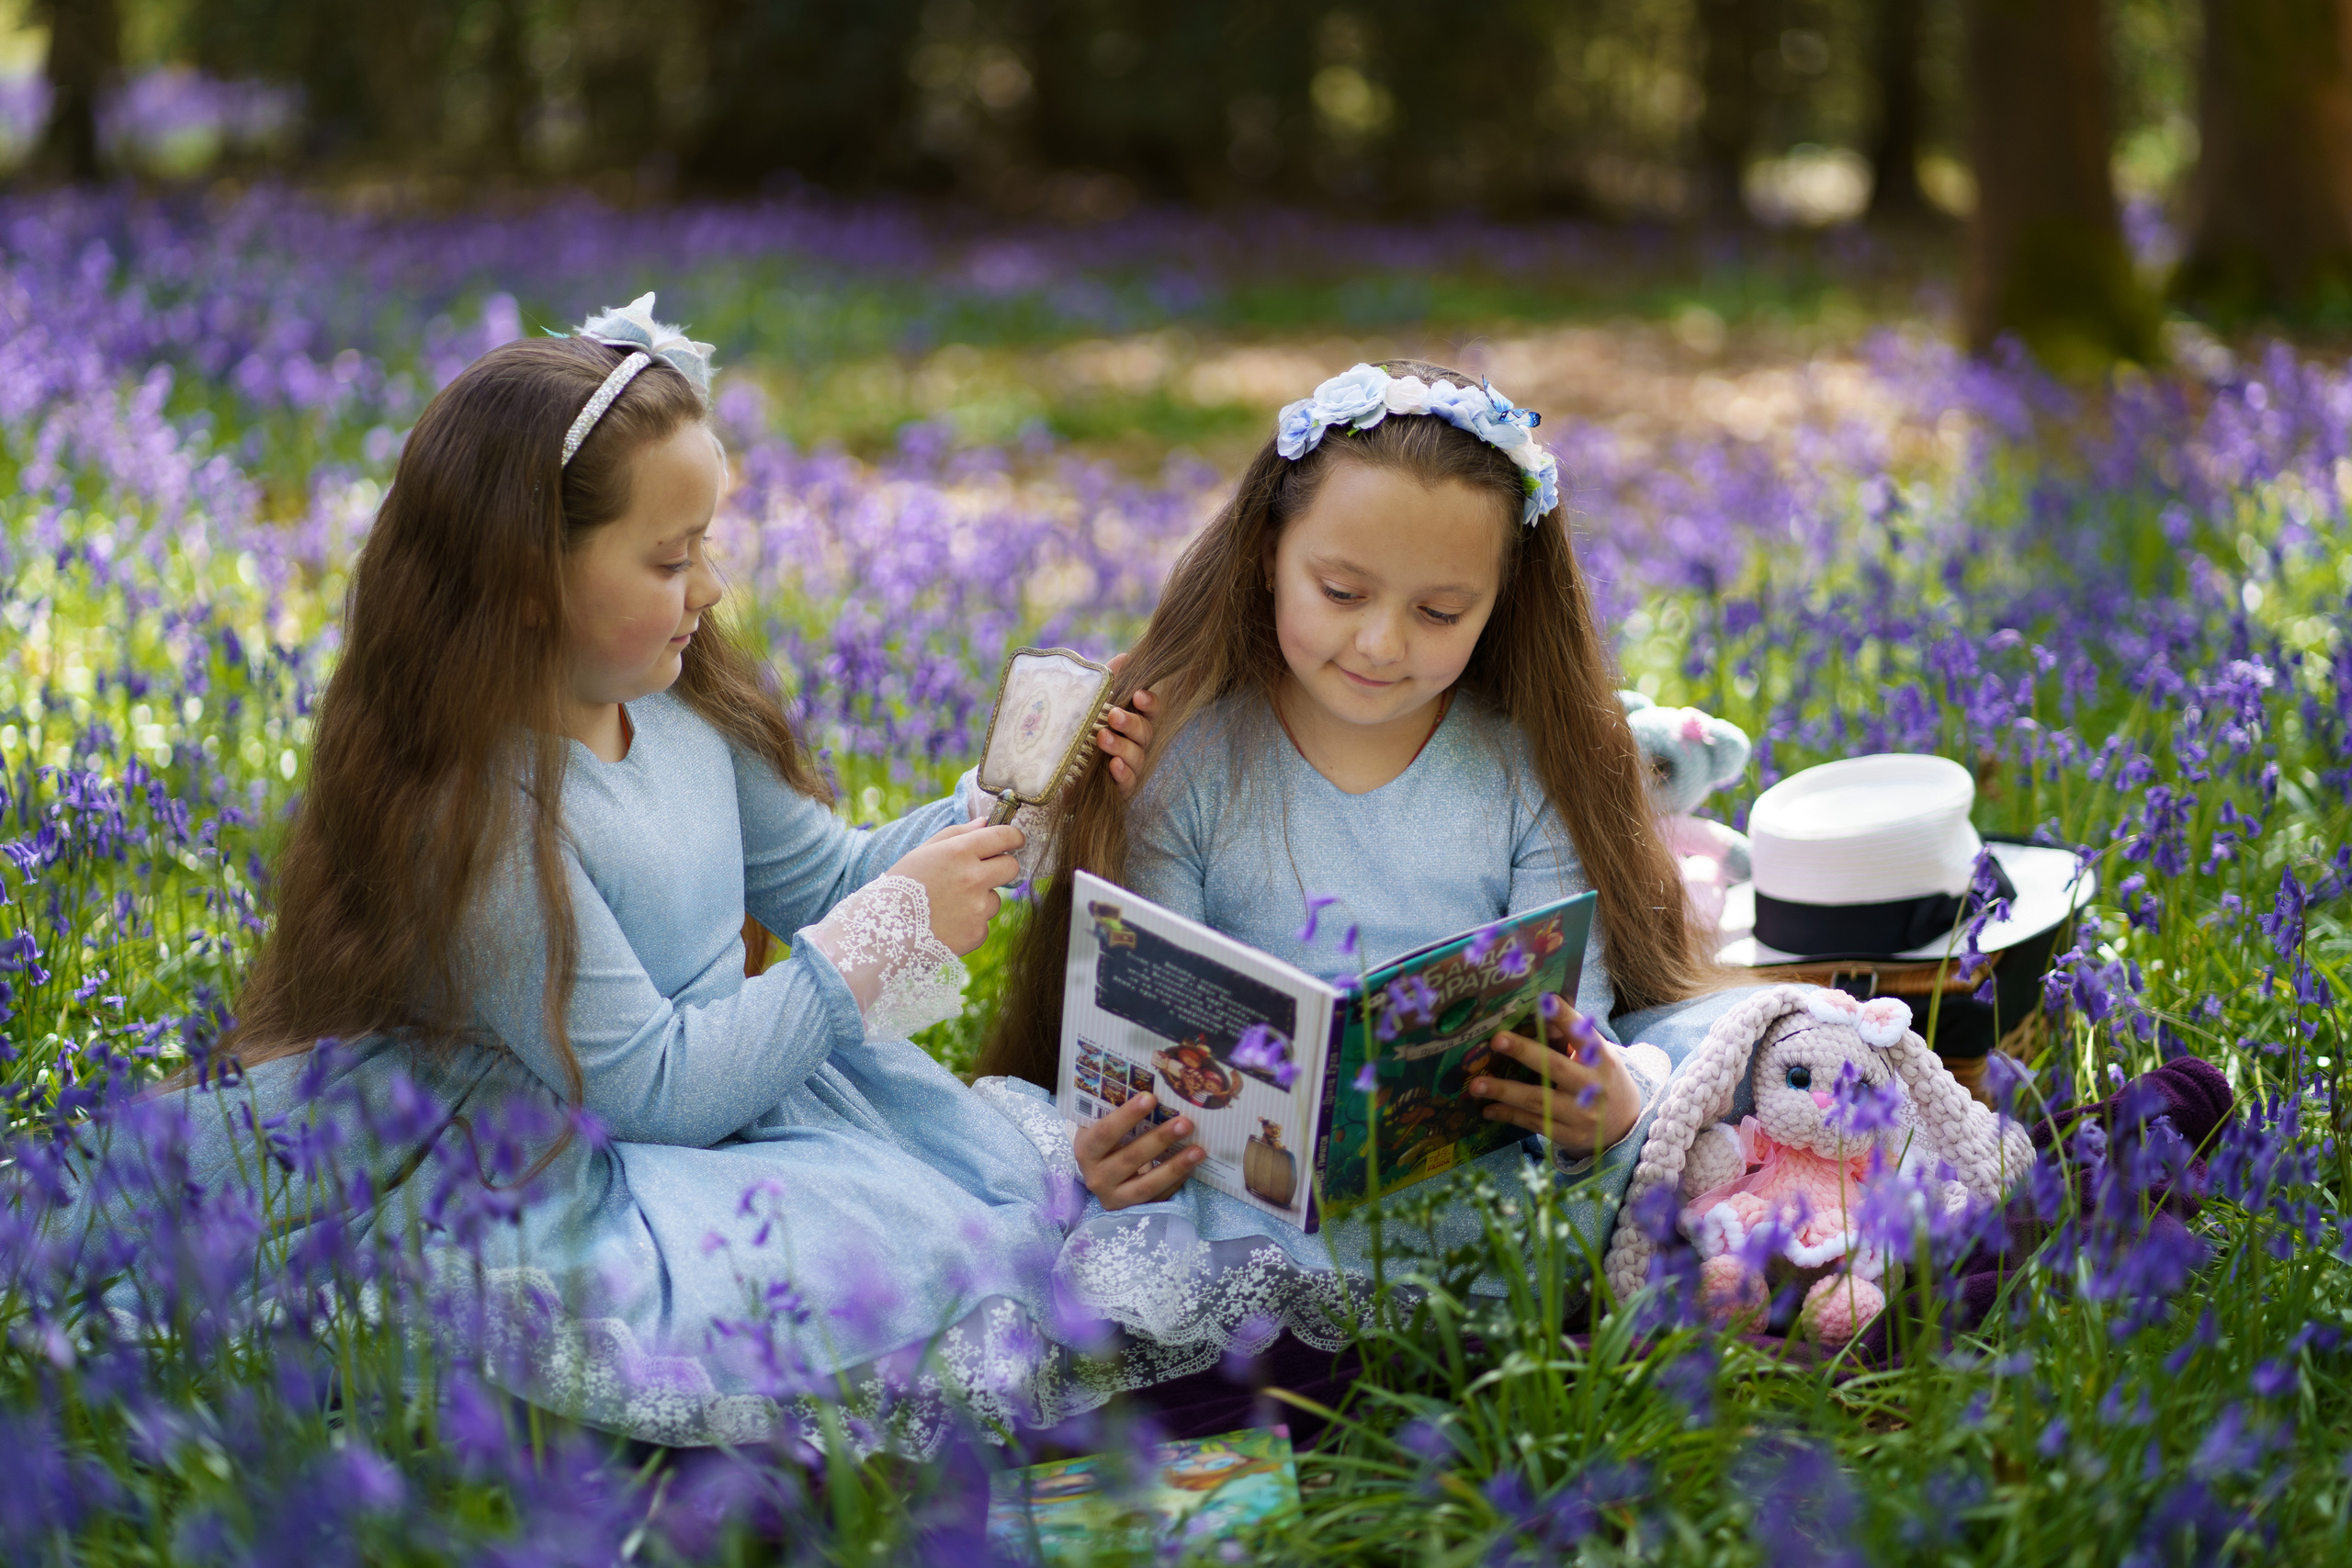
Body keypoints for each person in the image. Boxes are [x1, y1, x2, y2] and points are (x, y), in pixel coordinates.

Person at [92, 298, 1158, 1447]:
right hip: (577, 1151)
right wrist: (873, 947)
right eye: (668, 557)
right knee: (842, 1272)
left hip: (743, 1092)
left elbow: (830, 878)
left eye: (706, 548)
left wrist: (1010, 805)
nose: (706, 588)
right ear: (524, 582)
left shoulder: (685, 714)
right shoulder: (477, 810)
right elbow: (644, 1087)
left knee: (973, 1213)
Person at [974, 361, 1766, 1417]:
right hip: (1227, 1195)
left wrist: (1603, 1109)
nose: (1383, 643)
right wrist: (1118, 1149)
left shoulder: (1533, 771)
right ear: (1267, 558)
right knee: (1095, 1311)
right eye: (1340, 593)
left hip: (1461, 1190)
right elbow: (1144, 1007)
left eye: (1440, 611)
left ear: (1500, 604)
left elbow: (1575, 1012)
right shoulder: (1193, 759)